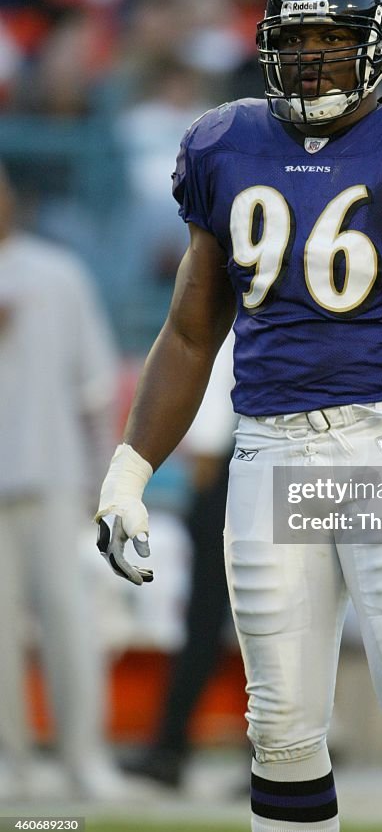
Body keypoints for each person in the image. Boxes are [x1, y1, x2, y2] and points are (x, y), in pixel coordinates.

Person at [95, 0, 382, 832]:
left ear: (376, 45)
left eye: (332, 39)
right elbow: (188, 334)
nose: (313, 59)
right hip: (265, 449)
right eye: (296, 42)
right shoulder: (224, 142)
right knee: (279, 729)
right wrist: (128, 473)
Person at [0, 163, 124, 800]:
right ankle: (10, 763)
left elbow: (95, 386)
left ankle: (85, 759)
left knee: (70, 623)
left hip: (51, 474)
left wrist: (106, 480)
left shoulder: (57, 273)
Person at [122, 333, 237, 789]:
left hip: (238, 465)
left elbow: (217, 359)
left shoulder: (241, 307)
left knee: (209, 619)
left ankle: (171, 748)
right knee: (276, 616)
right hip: (274, 462)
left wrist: (205, 463)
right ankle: (281, 752)